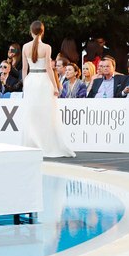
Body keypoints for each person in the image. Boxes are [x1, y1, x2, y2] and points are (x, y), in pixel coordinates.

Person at [21, 21, 75, 158]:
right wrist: (55, 86)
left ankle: (33, 143)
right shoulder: (46, 47)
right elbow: (49, 68)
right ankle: (46, 144)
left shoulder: (25, 47)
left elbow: (24, 68)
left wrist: (25, 83)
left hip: (31, 80)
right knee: (46, 114)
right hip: (43, 80)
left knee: (32, 113)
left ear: (31, 31)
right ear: (42, 31)